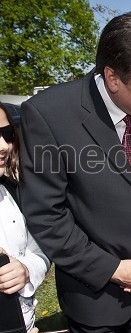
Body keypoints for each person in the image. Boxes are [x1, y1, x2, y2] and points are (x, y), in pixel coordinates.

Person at [19, 12, 131, 332]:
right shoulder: (48, 115)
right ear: (113, 79)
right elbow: (46, 215)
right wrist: (110, 268)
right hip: (93, 301)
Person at [0, 102, 50, 333]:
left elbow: (39, 252)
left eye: (7, 134)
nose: (4, 146)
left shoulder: (14, 192)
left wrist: (25, 270)